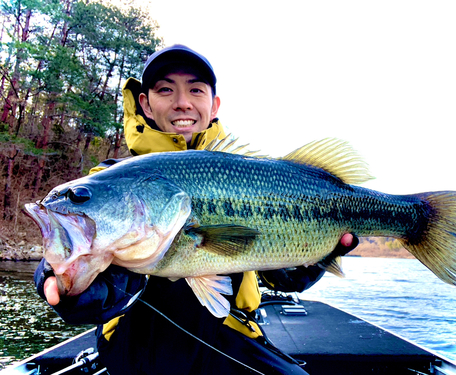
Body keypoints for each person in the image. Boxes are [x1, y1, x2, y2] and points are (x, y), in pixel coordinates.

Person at [35, 44, 358, 374]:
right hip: (135, 343)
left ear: (214, 104)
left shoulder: (245, 170)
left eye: (195, 89)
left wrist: (319, 254)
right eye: (165, 90)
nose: (182, 102)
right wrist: (58, 277)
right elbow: (79, 264)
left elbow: (286, 280)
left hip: (231, 336)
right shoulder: (110, 176)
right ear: (145, 103)